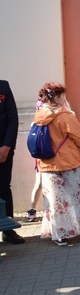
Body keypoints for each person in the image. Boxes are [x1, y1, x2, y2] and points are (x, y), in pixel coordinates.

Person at [34, 83, 80, 246]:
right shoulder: (65, 116)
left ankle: (60, 235)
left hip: (47, 164)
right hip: (70, 163)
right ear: (58, 97)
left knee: (55, 202)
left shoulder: (39, 117)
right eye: (63, 96)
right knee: (77, 198)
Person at [0, 79, 24, 244]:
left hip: (3, 150)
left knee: (3, 187)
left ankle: (8, 230)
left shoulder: (3, 87)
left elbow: (12, 118)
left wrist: (7, 146)